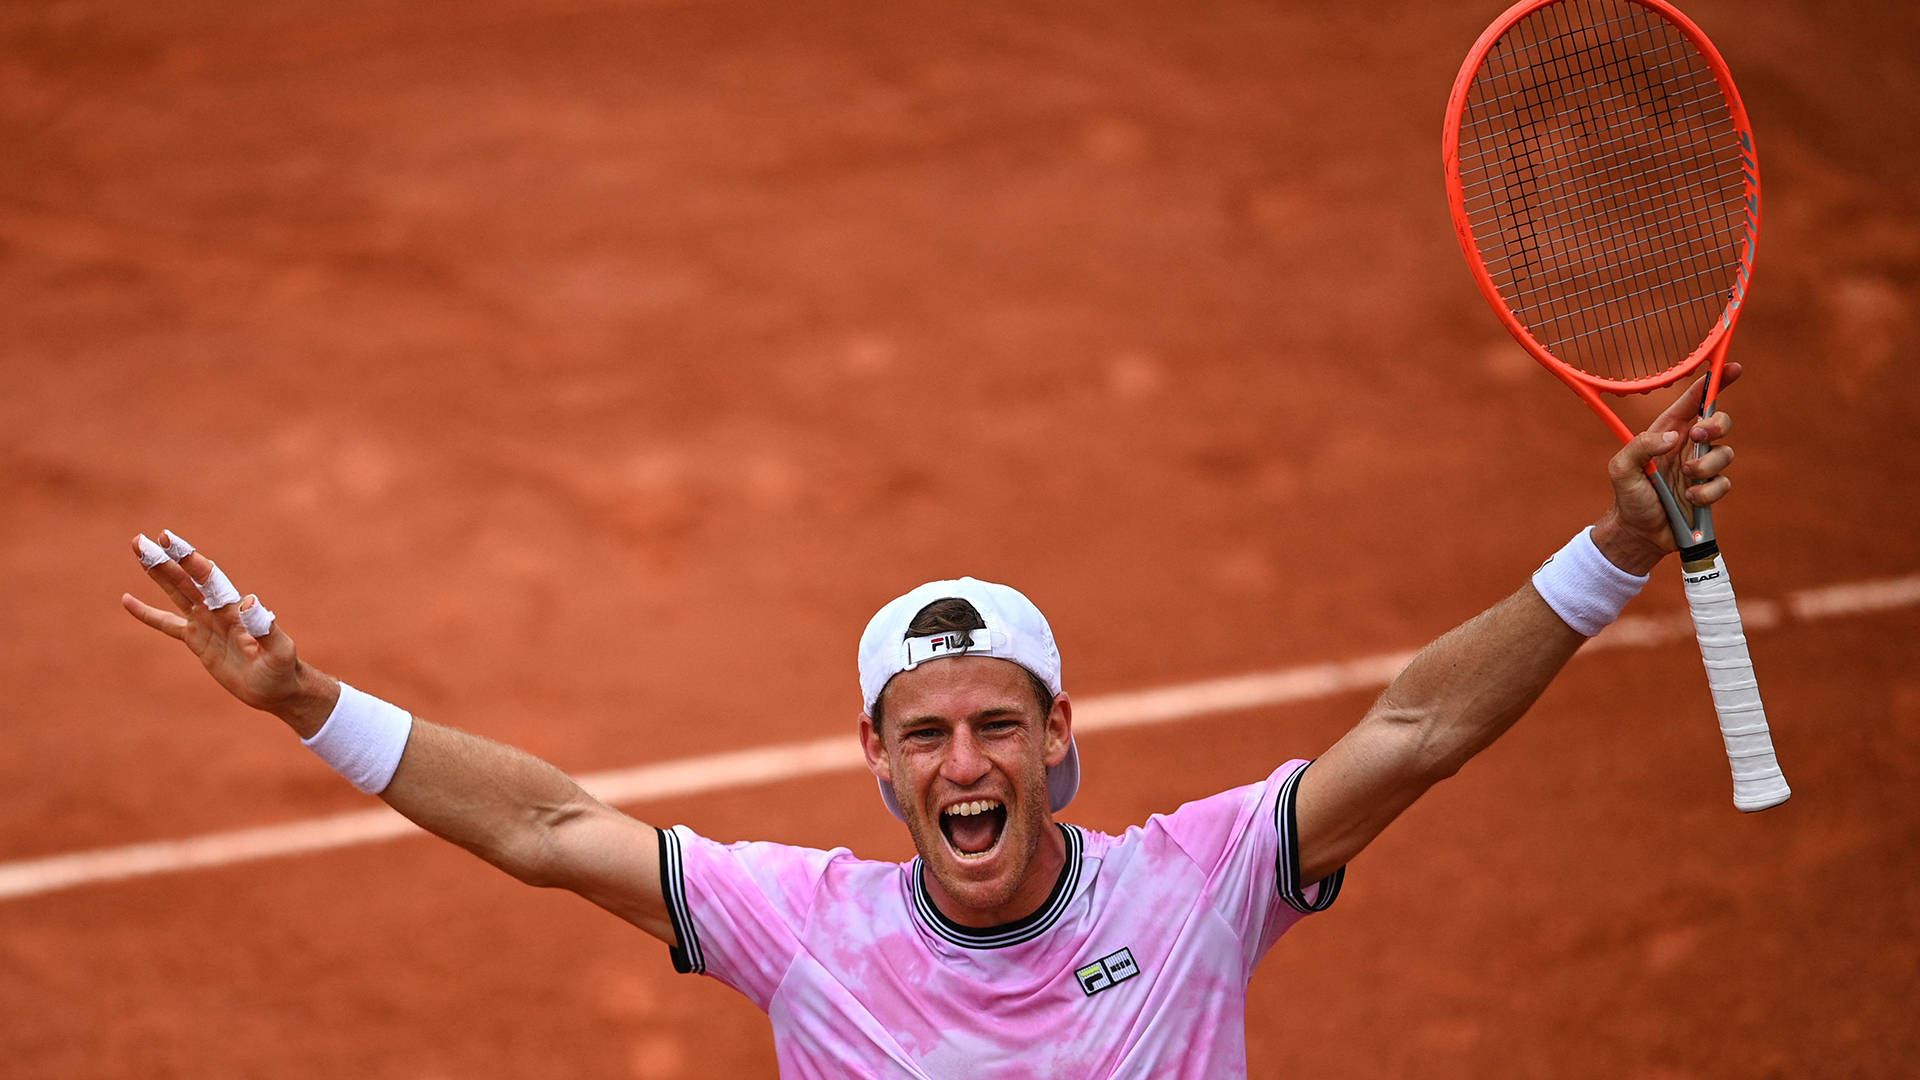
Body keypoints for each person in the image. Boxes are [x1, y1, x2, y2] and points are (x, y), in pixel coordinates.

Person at [122, 369, 1742, 1078]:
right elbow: (547, 830)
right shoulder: (803, 933)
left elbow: (1418, 729)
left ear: (1055, 738)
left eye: (994, 724)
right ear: (878, 762)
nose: (963, 765)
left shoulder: (1199, 888)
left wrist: (1608, 553)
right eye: (925, 735)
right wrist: (310, 703)